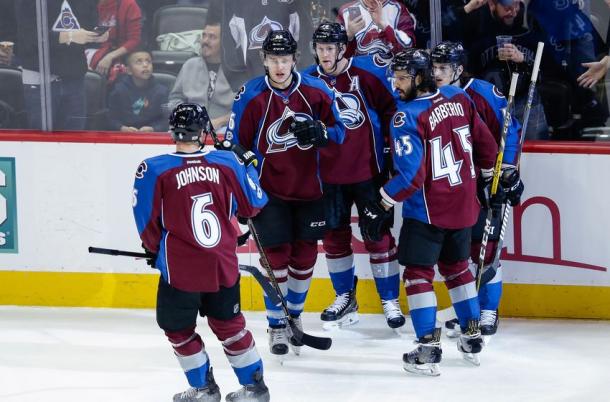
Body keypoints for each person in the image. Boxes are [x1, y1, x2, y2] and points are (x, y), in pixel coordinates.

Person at [360, 49, 498, 375]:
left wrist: (380, 202)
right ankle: (471, 335)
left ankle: (428, 347)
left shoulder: (405, 116)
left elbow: (411, 177)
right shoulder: (457, 97)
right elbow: (488, 146)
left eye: (403, 77)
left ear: (419, 78)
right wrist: (490, 179)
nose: (396, 84)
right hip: (464, 207)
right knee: (458, 269)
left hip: (428, 211)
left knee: (418, 275)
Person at [132, 103, 270, 402]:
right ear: (204, 130)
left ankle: (205, 390)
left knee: (178, 329)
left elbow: (146, 223)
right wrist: (248, 166)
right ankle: (255, 389)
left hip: (180, 267)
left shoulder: (153, 168)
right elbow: (254, 205)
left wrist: (155, 251)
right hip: (223, 263)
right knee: (230, 326)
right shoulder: (227, 162)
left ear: (172, 130)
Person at [227, 29, 345, 356]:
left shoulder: (317, 91)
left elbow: (340, 134)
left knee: (305, 256)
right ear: (263, 60)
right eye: (273, 59)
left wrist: (321, 132)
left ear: (295, 59)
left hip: (311, 189)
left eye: (285, 59)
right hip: (269, 193)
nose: (279, 66)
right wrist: (244, 186)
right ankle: (277, 324)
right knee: (275, 258)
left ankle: (294, 316)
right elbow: (233, 147)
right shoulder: (249, 96)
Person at [303, 22, 404, 330]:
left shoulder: (366, 74)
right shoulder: (307, 80)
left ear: (343, 48)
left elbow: (393, 112)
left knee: (377, 235)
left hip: (368, 171)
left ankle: (389, 299)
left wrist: (390, 157)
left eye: (330, 48)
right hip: (328, 176)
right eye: (320, 49)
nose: (325, 55)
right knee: (334, 238)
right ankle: (345, 297)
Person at [431, 41, 524, 338]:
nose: (437, 74)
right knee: (461, 253)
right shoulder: (432, 96)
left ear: (459, 68)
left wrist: (507, 171)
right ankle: (468, 311)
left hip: (486, 180)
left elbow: (510, 130)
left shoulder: (482, 92)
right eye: (434, 68)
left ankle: (488, 309)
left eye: (443, 68)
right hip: (454, 184)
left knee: (487, 249)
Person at [462, 0, 549, 140]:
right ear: (492, 5)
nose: (513, 11)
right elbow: (467, 72)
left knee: (537, 153)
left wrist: (523, 60)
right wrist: (467, 8)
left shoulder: (532, 33)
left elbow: (546, 74)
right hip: (490, 105)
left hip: (526, 104)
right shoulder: (477, 31)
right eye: (507, 7)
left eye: (516, 5)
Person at [15, 0, 107, 130]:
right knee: (41, 140)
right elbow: (29, 37)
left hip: (75, 77)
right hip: (40, 78)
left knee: (75, 139)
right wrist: (69, 36)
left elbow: (88, 25)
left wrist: (96, 35)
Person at [168, 21, 235, 131]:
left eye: (212, 37)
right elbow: (175, 99)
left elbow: (246, 108)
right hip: (190, 124)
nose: (205, 41)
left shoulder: (238, 70)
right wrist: (187, 116)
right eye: (203, 36)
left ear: (224, 42)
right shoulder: (190, 65)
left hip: (224, 126)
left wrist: (220, 121)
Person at [107, 48, 169, 132]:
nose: (145, 65)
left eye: (148, 61)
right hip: (125, 136)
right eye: (139, 62)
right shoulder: (119, 90)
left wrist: (154, 129)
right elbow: (110, 118)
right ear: (128, 70)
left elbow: (167, 120)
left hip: (152, 136)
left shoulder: (162, 91)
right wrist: (121, 128)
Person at [336, 0, 416, 59]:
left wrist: (384, 26)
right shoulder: (346, 11)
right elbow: (335, 56)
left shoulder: (398, 9)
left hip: (390, 76)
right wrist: (349, 35)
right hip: (357, 76)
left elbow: (408, 49)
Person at [88, 0, 143, 76]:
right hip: (97, 49)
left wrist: (109, 57)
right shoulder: (91, 4)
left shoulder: (129, 4)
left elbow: (134, 40)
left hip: (121, 54)